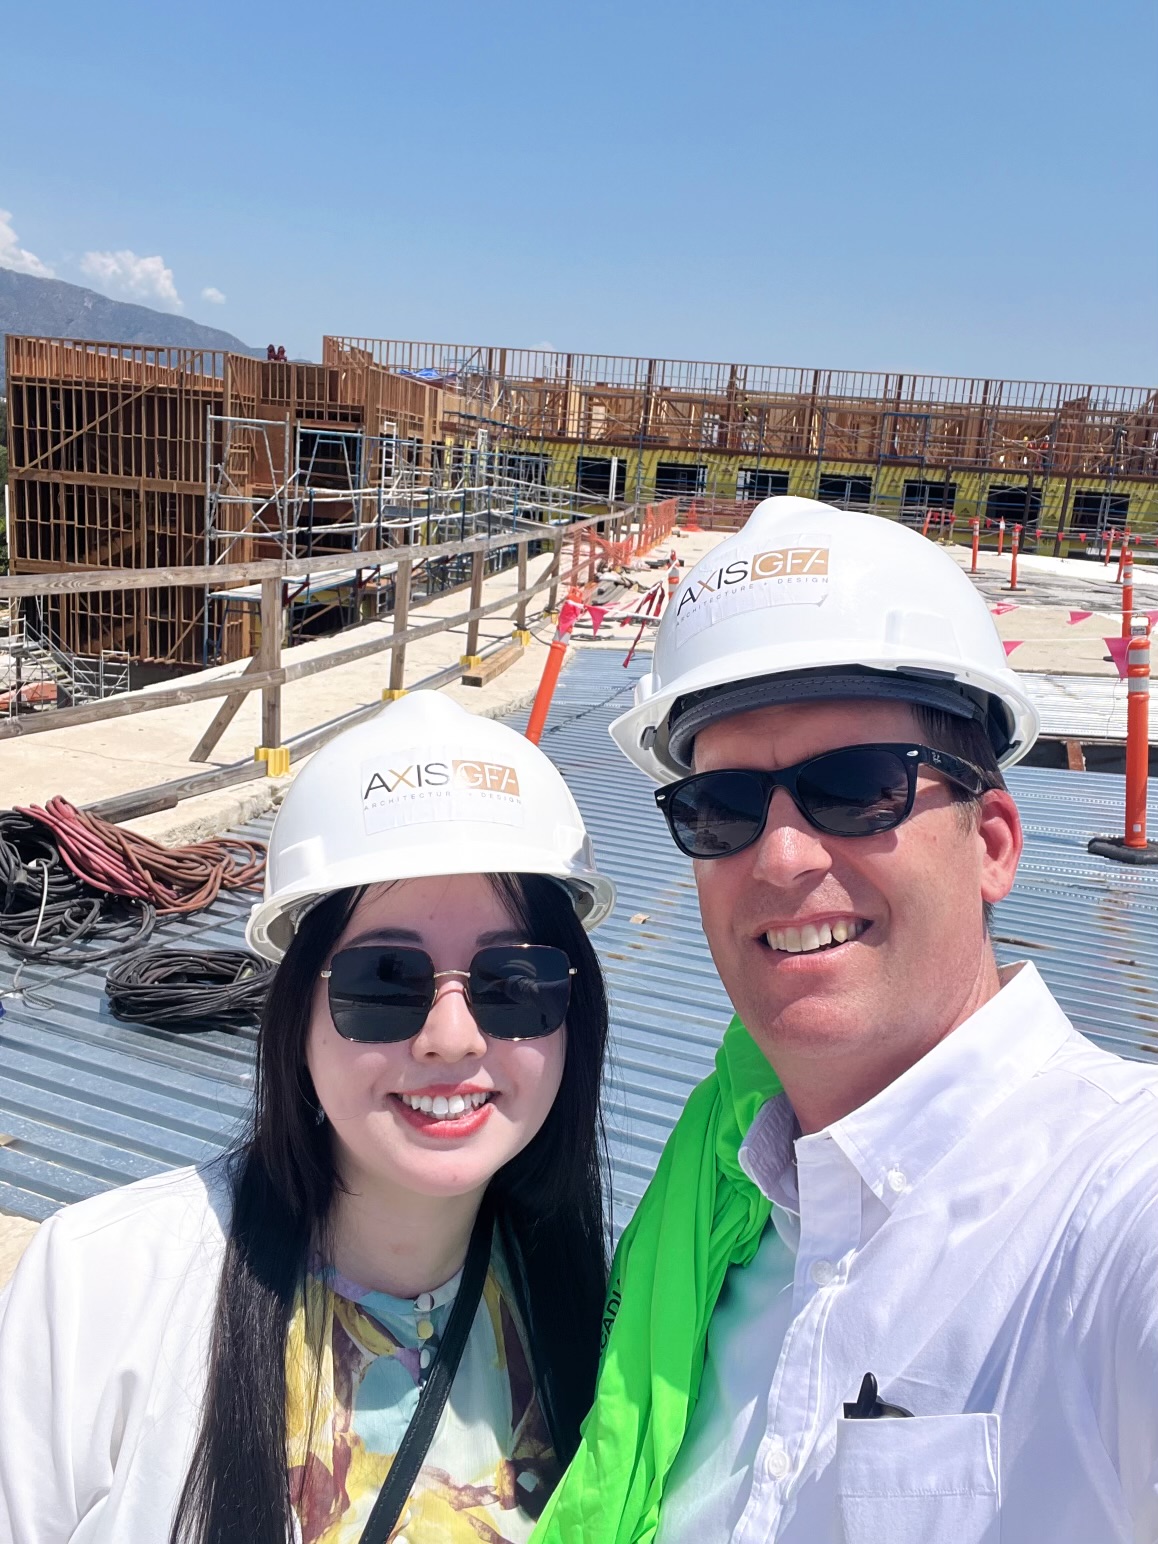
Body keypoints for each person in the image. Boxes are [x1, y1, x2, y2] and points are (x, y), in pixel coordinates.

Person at [535, 497, 1158, 1544]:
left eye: (857, 787)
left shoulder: (1109, 1208)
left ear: (994, 840)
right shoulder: (722, 1218)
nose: (779, 858)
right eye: (722, 806)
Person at [0, 690, 616, 1544]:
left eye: (513, 983)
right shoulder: (97, 1291)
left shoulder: (609, 1319)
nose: (449, 1036)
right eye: (384, 980)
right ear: (296, 1013)